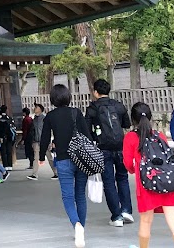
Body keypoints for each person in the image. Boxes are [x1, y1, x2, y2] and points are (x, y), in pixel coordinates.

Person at [123, 102, 174, 248]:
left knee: (146, 221)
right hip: (166, 181)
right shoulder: (159, 135)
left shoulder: (130, 137)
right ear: (150, 117)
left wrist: (134, 171)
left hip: (146, 183)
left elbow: (128, 163)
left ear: (133, 119)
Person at [39, 84, 91, 248]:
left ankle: (76, 226)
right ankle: (80, 227)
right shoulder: (76, 113)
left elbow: (45, 138)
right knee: (80, 195)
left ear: (53, 99)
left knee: (68, 196)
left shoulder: (50, 116)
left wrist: (41, 157)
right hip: (81, 160)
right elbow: (87, 136)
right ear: (68, 97)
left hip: (63, 160)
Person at [85, 78, 134, 227]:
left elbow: (87, 130)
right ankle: (126, 210)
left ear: (95, 92)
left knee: (109, 182)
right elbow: (127, 123)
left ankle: (116, 216)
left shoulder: (92, 108)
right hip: (120, 147)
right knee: (123, 178)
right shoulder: (118, 106)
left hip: (103, 148)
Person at [27, 103, 57, 181]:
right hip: (36, 141)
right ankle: (34, 174)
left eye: (36, 107)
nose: (34, 108)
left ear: (40, 109)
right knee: (36, 158)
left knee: (49, 158)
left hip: (44, 141)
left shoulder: (45, 118)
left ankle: (56, 173)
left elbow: (49, 130)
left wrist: (50, 141)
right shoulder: (34, 119)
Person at [0, 104, 15, 173]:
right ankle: (10, 165)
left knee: (3, 151)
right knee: (9, 151)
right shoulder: (9, 118)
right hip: (9, 136)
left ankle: (5, 165)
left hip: (2, 137)